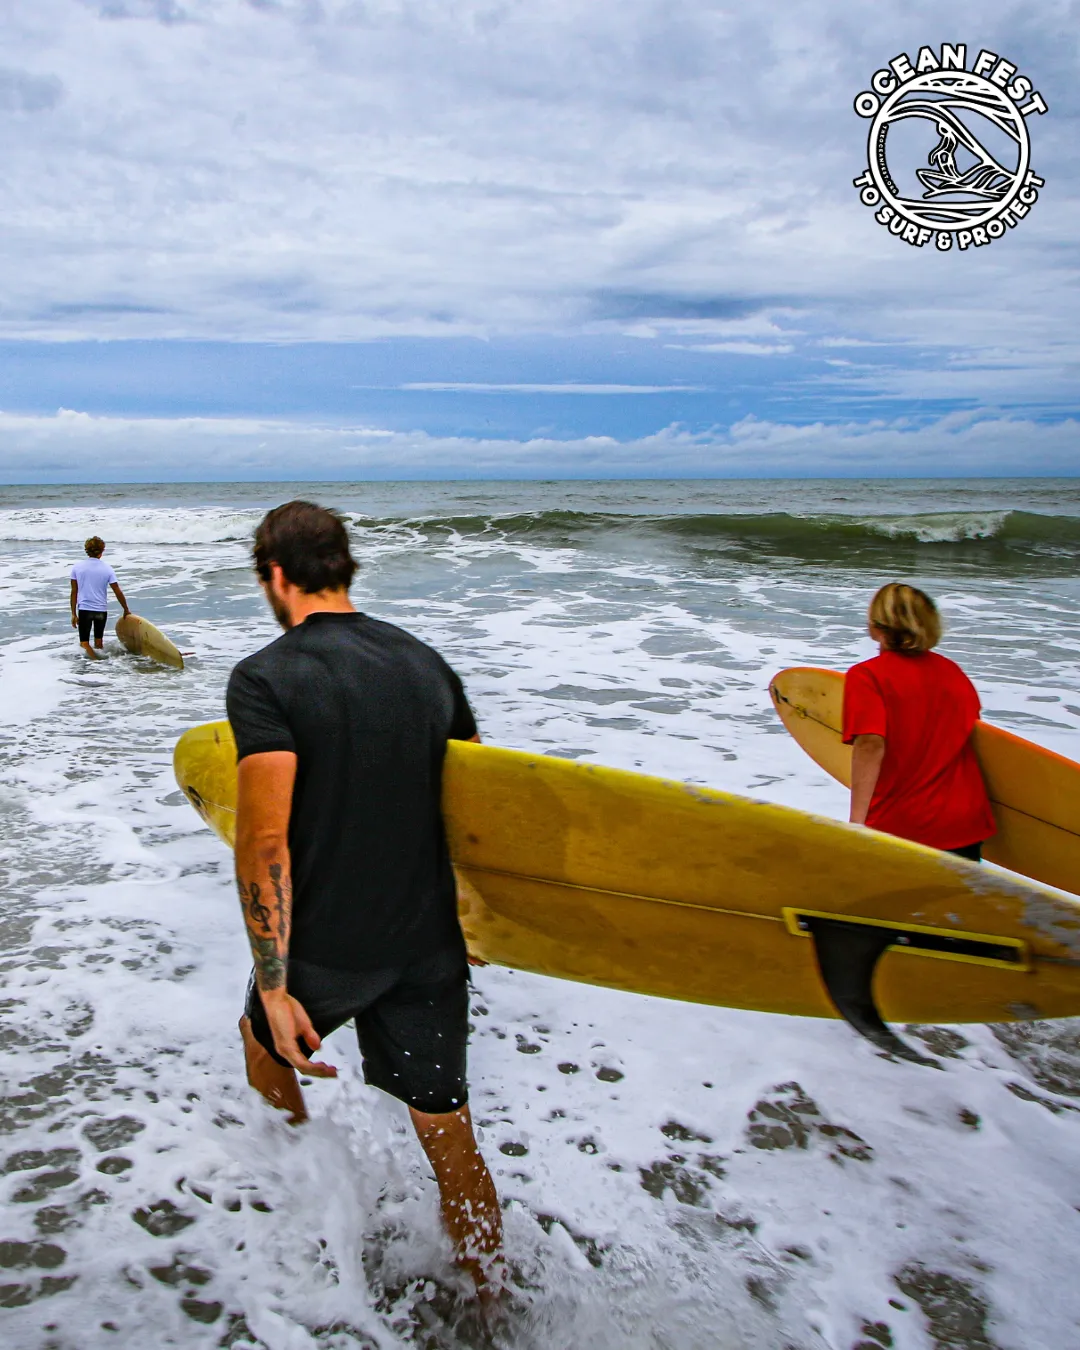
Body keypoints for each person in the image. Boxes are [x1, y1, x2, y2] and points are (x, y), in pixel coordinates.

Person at [225, 500, 501, 1292]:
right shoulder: (425, 663)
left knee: (263, 1047)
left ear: (275, 576)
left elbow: (264, 838)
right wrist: (473, 921)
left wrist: (276, 984)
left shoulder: (266, 677)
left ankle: (316, 1207)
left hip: (327, 946)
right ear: (344, 565)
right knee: (451, 1137)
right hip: (427, 947)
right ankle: (490, 1297)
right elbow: (475, 809)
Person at [843, 582, 995, 861]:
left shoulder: (867, 676)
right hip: (965, 820)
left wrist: (856, 823)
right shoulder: (953, 672)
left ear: (877, 627)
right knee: (951, 903)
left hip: (904, 821)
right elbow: (974, 737)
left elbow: (870, 744)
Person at [70, 536, 130, 659]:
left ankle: (95, 663)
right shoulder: (107, 569)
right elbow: (117, 591)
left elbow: (74, 592)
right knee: (98, 642)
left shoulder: (77, 568)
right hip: (101, 611)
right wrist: (125, 609)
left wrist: (73, 614)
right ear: (102, 551)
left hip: (85, 610)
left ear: (87, 550)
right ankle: (101, 667)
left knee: (84, 643)